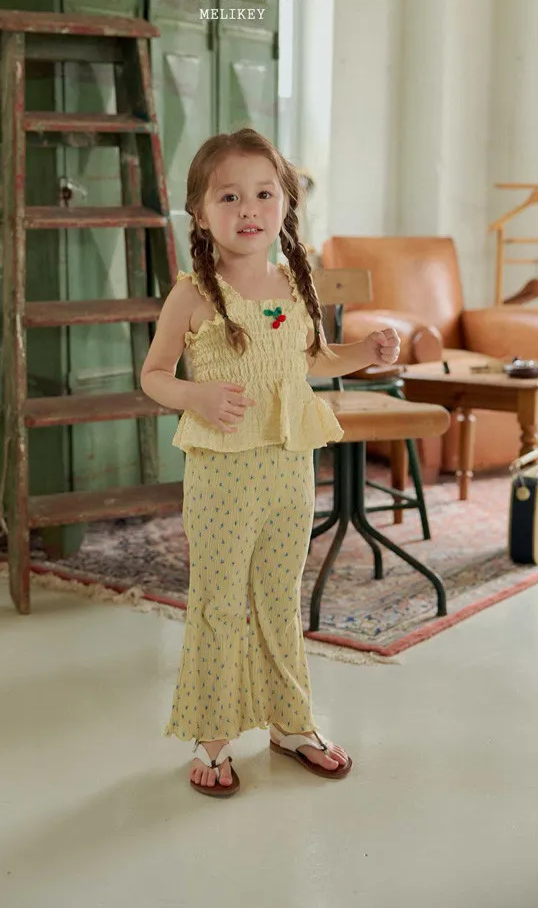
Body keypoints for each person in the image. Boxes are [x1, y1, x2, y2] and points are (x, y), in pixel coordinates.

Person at [140, 128, 400, 798]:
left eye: (263, 193)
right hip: (223, 474)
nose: (249, 209)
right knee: (220, 602)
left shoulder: (294, 283)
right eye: (229, 196)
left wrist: (366, 353)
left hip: (288, 465)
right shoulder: (192, 295)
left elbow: (314, 358)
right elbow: (154, 375)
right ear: (201, 213)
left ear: (284, 203)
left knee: (280, 599)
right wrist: (194, 394)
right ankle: (212, 735)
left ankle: (291, 723)